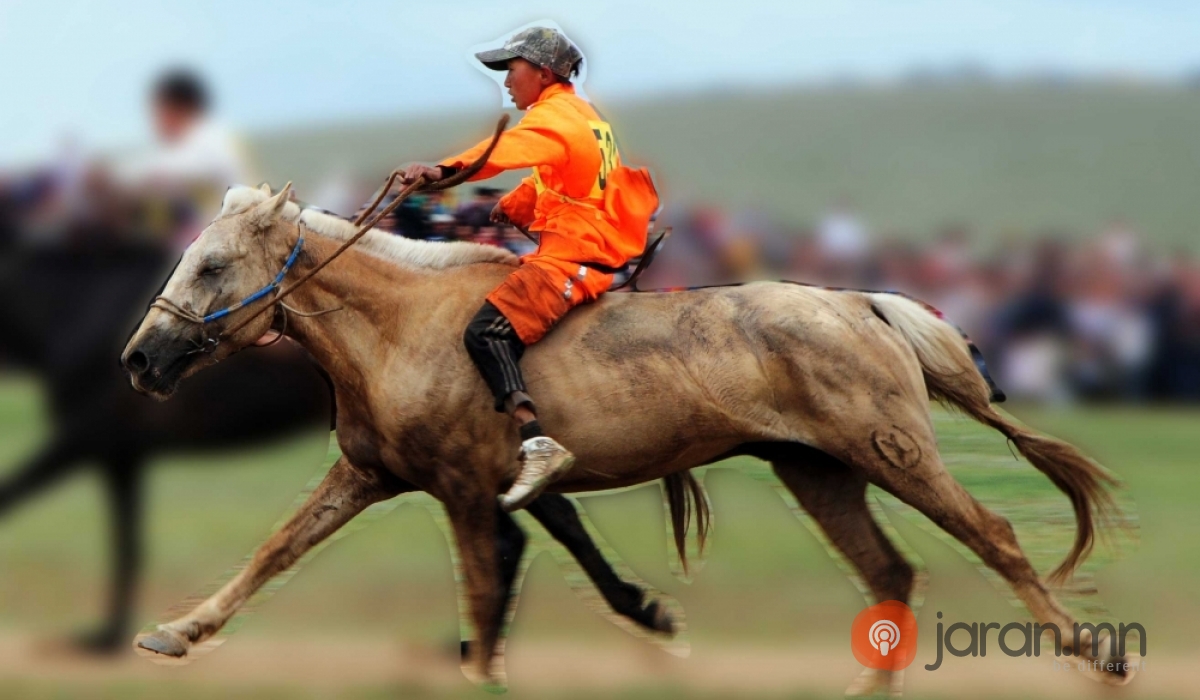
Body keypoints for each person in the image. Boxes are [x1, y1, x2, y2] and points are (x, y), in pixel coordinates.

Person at [400, 26, 658, 511]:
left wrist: (440, 170)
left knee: (485, 332)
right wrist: (514, 204)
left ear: (542, 72)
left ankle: (536, 442)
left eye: (511, 70)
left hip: (573, 256)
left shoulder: (555, 117)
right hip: (577, 243)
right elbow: (559, 173)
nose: (506, 82)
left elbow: (506, 153)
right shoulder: (581, 113)